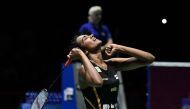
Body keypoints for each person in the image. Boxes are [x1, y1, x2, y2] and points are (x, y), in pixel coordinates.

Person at [67, 34, 155, 109]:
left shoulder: (112, 64)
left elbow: (149, 59)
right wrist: (81, 55)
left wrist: (119, 47)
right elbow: (98, 82)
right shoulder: (83, 70)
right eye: (85, 38)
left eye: (89, 35)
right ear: (85, 50)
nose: (91, 35)